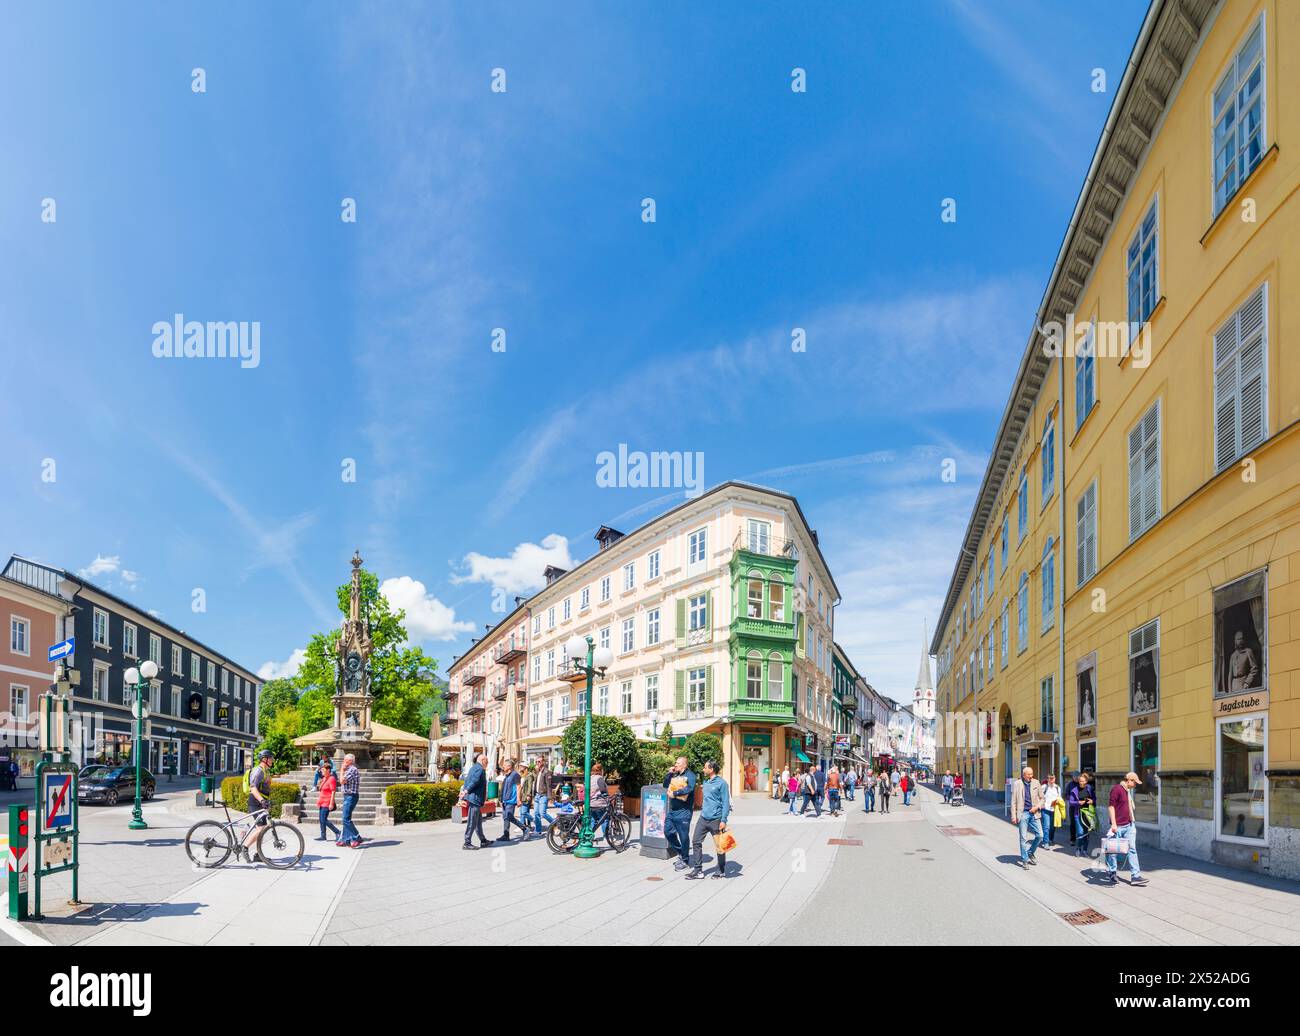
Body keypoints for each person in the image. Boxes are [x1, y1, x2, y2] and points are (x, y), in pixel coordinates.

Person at [686, 760, 732, 880]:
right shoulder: (706, 782)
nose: (703, 769)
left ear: (711, 769)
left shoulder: (722, 783)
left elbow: (726, 802)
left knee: (720, 846)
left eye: (705, 767)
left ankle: (721, 870)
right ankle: (698, 870)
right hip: (703, 818)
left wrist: (724, 820)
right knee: (696, 841)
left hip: (716, 819)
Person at [1104, 771, 1148, 886]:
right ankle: (1112, 872)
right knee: (1113, 850)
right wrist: (1113, 824)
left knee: (1132, 850)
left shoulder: (1127, 791)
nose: (1136, 785)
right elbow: (1111, 807)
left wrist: (1132, 823)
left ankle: (1135, 876)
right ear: (1130, 780)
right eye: (1135, 783)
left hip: (1129, 825)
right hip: (1117, 826)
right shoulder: (1117, 789)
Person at [663, 756, 697, 870]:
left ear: (684, 765)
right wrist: (669, 774)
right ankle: (681, 853)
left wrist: (675, 793)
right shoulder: (675, 774)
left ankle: (685, 860)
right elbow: (665, 785)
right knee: (668, 832)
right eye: (676, 763)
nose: (675, 765)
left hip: (684, 811)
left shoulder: (690, 775)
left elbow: (690, 788)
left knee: (683, 836)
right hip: (673, 810)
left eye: (678, 763)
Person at [241, 749, 275, 860]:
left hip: (260, 803)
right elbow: (253, 788)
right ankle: (245, 847)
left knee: (261, 829)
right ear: (265, 759)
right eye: (270, 758)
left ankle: (258, 855)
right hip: (255, 803)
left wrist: (266, 801)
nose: (272, 760)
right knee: (261, 829)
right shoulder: (258, 771)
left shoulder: (265, 771)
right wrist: (262, 801)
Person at [1009, 766, 1043, 869]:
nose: (1031, 776)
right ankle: (1024, 860)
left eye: (1032, 774)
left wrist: (1037, 807)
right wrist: (1013, 816)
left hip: (1034, 813)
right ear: (1024, 775)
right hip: (1023, 814)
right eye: (1029, 774)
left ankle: (1030, 852)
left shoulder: (1036, 782)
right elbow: (1013, 801)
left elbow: (1042, 798)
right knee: (1023, 838)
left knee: (1040, 835)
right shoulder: (1017, 784)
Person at [459, 752, 492, 850]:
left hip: (473, 798)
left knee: (478, 822)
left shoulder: (473, 768)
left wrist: (465, 793)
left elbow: (467, 781)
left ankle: (483, 840)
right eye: (487, 761)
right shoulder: (480, 769)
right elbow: (474, 781)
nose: (488, 763)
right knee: (472, 822)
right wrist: (466, 791)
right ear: (482, 760)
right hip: (475, 799)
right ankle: (467, 842)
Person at [497, 758, 530, 842]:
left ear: (509, 766)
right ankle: (506, 835)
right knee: (505, 817)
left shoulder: (515, 774)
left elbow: (518, 787)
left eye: (504, 765)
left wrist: (518, 800)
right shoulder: (507, 775)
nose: (503, 766)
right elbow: (504, 788)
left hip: (511, 800)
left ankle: (525, 829)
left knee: (509, 816)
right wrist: (501, 800)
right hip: (505, 800)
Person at [337, 752, 363, 848]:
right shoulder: (349, 769)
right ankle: (346, 839)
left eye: (345, 760)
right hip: (348, 796)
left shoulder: (352, 769)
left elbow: (341, 781)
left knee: (346, 819)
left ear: (350, 761)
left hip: (351, 796)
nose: (343, 762)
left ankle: (356, 837)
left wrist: (341, 770)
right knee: (346, 818)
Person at [1068, 771, 1095, 858]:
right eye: (1080, 781)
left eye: (1083, 781)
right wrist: (1078, 802)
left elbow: (1094, 798)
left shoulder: (1089, 788)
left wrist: (1092, 801)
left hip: (1087, 814)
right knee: (1080, 832)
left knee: (1086, 833)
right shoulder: (1074, 790)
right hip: (1078, 813)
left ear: (1086, 781)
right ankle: (1078, 848)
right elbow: (1071, 802)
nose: (1082, 783)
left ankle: (1085, 850)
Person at [315, 758, 340, 842]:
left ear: (328, 770)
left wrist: (331, 803)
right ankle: (323, 835)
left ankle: (337, 832)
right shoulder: (324, 778)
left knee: (324, 819)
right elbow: (320, 789)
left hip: (327, 802)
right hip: (322, 801)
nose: (322, 771)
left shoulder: (332, 779)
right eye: (321, 770)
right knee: (321, 819)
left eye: (323, 770)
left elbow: (333, 791)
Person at [533, 756, 555, 833]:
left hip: (543, 795)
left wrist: (550, 797)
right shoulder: (538, 771)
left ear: (543, 762)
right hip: (537, 795)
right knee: (536, 813)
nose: (537, 763)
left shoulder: (547, 772)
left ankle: (555, 824)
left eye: (539, 761)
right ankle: (538, 830)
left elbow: (549, 785)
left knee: (543, 813)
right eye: (536, 762)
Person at [1042, 774, 1062, 846]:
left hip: (1054, 810)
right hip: (1045, 809)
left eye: (1052, 778)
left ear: (1055, 778)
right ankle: (1046, 842)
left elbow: (1059, 798)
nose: (1051, 780)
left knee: (1053, 827)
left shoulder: (1057, 788)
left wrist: (1057, 801)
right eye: (1049, 778)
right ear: (1047, 779)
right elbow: (1039, 796)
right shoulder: (1044, 787)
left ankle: (1051, 839)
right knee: (1046, 826)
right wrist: (1042, 804)